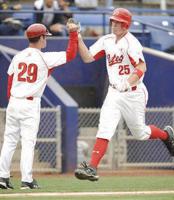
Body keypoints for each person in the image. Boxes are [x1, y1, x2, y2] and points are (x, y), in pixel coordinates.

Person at [74, 8, 174, 181]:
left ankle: (166, 135)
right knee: (105, 128)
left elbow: (142, 67)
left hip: (133, 93)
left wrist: (127, 83)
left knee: (140, 133)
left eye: (118, 22)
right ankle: (92, 168)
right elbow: (87, 57)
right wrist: (78, 38)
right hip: (114, 92)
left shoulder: (131, 43)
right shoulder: (107, 40)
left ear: (126, 24)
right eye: (113, 21)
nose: (114, 24)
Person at [0, 20, 79, 189]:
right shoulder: (44, 58)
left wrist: (12, 101)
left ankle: (2, 177)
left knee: (9, 142)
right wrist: (73, 33)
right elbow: (71, 54)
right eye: (45, 36)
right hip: (30, 104)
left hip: (14, 102)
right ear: (41, 37)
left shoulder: (17, 56)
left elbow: (9, 81)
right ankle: (26, 180)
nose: (46, 39)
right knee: (28, 143)